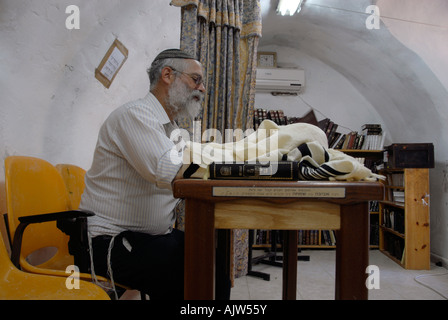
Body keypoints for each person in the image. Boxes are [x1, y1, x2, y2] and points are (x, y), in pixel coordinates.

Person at [79, 49, 230, 300]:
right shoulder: (135, 115)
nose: (202, 89)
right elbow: (169, 169)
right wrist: (228, 161)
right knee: (194, 272)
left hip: (148, 237)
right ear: (167, 75)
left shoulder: (168, 129)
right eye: (196, 79)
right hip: (108, 243)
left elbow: (186, 167)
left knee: (211, 260)